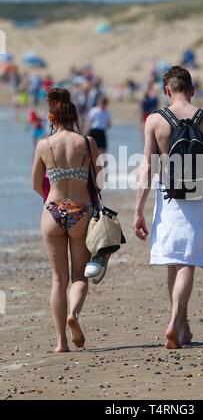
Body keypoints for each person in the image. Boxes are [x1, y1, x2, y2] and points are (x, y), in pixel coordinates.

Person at [134, 66, 203, 349]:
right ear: (192, 89)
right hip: (199, 197)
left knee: (174, 261)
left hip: (168, 197)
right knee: (187, 262)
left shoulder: (154, 120)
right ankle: (177, 322)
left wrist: (138, 209)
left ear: (167, 91)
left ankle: (180, 325)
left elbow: (147, 167)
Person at [32, 88, 99, 353]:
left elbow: (36, 184)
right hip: (81, 210)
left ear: (52, 117)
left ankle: (61, 342)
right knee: (79, 276)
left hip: (53, 211)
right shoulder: (87, 142)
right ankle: (74, 314)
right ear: (74, 116)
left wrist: (51, 201)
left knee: (58, 279)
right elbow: (100, 180)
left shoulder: (43, 144)